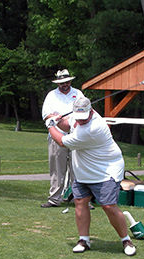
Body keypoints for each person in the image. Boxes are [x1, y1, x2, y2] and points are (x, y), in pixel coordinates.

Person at [44, 97, 136, 256]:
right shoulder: (77, 117)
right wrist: (58, 120)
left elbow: (61, 141)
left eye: (83, 118)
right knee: (80, 202)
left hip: (106, 170)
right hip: (83, 170)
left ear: (91, 111)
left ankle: (126, 240)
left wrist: (50, 126)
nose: (80, 121)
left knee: (108, 205)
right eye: (78, 118)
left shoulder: (94, 128)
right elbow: (67, 125)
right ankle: (83, 240)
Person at [41, 69, 84, 208]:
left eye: (66, 82)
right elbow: (46, 115)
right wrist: (55, 118)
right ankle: (54, 199)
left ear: (70, 81)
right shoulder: (51, 95)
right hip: (56, 135)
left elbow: (85, 111)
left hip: (76, 135)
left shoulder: (78, 94)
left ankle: (79, 199)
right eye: (61, 83)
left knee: (77, 169)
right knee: (57, 170)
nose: (64, 85)